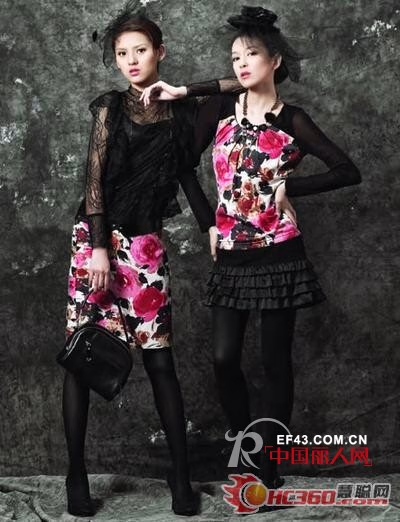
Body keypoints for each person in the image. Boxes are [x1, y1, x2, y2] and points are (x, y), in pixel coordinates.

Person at [141, 5, 361, 489]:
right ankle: (244, 444)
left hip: (280, 254)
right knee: (224, 358)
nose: (241, 64)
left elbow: (349, 171)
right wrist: (208, 224)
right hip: (231, 255)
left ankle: (267, 464)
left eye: (252, 55)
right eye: (235, 57)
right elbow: (181, 164)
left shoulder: (293, 120)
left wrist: (289, 187)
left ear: (275, 61)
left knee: (274, 364)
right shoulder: (220, 109)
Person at [62, 1, 241, 517]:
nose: (131, 61)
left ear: (160, 52)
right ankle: (76, 474)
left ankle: (179, 476)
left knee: (160, 359)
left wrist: (184, 91)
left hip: (144, 246)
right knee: (81, 356)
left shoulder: (181, 111)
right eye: (122, 54)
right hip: (95, 240)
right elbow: (93, 180)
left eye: (140, 51)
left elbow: (244, 86)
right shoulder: (110, 107)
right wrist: (98, 247)